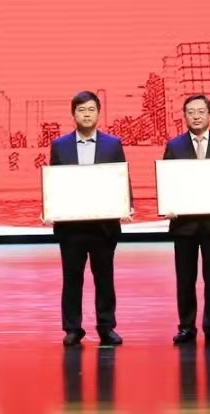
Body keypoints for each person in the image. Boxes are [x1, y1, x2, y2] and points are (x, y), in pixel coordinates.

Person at [49, 91, 127, 347]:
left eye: (91, 110)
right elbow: (54, 182)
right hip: (71, 227)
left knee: (104, 278)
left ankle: (106, 327)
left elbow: (121, 177)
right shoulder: (60, 145)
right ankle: (72, 328)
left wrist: (126, 205)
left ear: (98, 113)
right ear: (73, 114)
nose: (86, 114)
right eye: (81, 110)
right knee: (72, 279)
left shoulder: (112, 144)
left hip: (103, 226)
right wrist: (50, 207)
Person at [162, 94, 210, 345]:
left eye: (201, 111)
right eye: (191, 112)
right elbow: (169, 181)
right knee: (185, 279)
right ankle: (186, 327)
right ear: (184, 116)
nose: (196, 116)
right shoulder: (174, 146)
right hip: (184, 225)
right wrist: (169, 205)